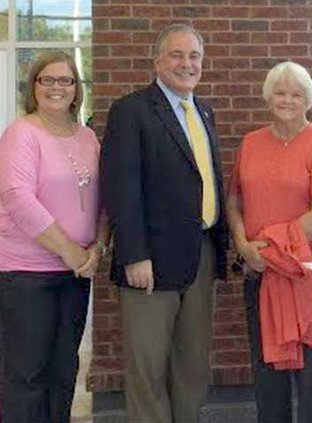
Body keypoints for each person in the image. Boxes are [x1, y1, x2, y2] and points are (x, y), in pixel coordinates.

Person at [100, 23, 228, 423]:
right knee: (148, 367)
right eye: (177, 54)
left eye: (194, 56)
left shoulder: (204, 111)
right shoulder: (131, 111)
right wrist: (134, 255)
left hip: (200, 254)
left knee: (192, 365)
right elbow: (121, 188)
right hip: (149, 262)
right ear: (157, 60)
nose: (186, 64)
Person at [226, 61, 312, 423]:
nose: (287, 100)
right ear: (268, 96)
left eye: (296, 93)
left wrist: (273, 253)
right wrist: (244, 247)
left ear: (308, 99)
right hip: (258, 269)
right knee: (267, 365)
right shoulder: (251, 142)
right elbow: (234, 201)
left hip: (306, 270)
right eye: (280, 92)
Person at [0, 51, 107, 423]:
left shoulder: (88, 137)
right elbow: (18, 199)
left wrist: (97, 247)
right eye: (48, 80)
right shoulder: (22, 133)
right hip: (27, 275)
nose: (57, 87)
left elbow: (101, 200)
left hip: (74, 275)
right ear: (34, 87)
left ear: (77, 89)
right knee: (27, 375)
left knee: (64, 372)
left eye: (66, 80)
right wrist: (72, 253)